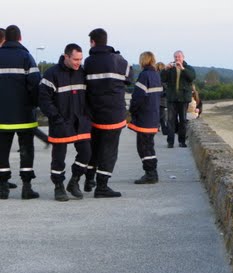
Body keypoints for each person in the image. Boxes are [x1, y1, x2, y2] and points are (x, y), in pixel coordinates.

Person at [39, 43, 91, 201]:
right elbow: (44, 100)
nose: (78, 63)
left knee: (86, 153)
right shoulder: (51, 74)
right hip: (60, 123)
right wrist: (56, 118)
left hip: (80, 122)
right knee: (58, 158)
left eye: (80, 59)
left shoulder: (82, 73)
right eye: (75, 59)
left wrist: (87, 116)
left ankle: (74, 181)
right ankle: (58, 187)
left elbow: (90, 97)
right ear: (66, 56)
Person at [82, 28, 130, 198]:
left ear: (92, 42)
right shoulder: (119, 60)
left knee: (94, 148)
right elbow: (129, 77)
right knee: (109, 151)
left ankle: (89, 179)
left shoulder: (87, 62)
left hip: (93, 114)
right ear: (106, 40)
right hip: (114, 114)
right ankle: (102, 186)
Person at [0, 25, 41, 200]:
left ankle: (2, 188)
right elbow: (36, 86)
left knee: (2, 151)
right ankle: (26, 187)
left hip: (1, 117)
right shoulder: (26, 57)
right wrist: (33, 105)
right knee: (26, 151)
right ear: (20, 38)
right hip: (25, 116)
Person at [128, 52, 161, 184]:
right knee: (149, 146)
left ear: (142, 61)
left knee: (143, 147)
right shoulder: (156, 75)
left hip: (144, 117)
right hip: (154, 116)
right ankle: (153, 173)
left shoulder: (144, 75)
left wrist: (131, 110)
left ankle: (150, 174)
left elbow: (138, 97)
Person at [161, 50, 195, 148]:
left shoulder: (188, 68)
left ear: (183, 57)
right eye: (175, 57)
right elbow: (162, 79)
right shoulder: (170, 68)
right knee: (171, 120)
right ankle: (170, 142)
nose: (177, 58)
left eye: (179, 57)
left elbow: (192, 77)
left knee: (183, 120)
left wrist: (183, 68)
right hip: (172, 98)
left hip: (183, 99)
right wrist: (165, 69)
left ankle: (182, 141)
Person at [156, 62, 169, 134]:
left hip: (157, 98)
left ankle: (160, 128)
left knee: (160, 115)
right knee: (162, 115)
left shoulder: (156, 75)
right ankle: (163, 129)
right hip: (162, 99)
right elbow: (166, 88)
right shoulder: (163, 76)